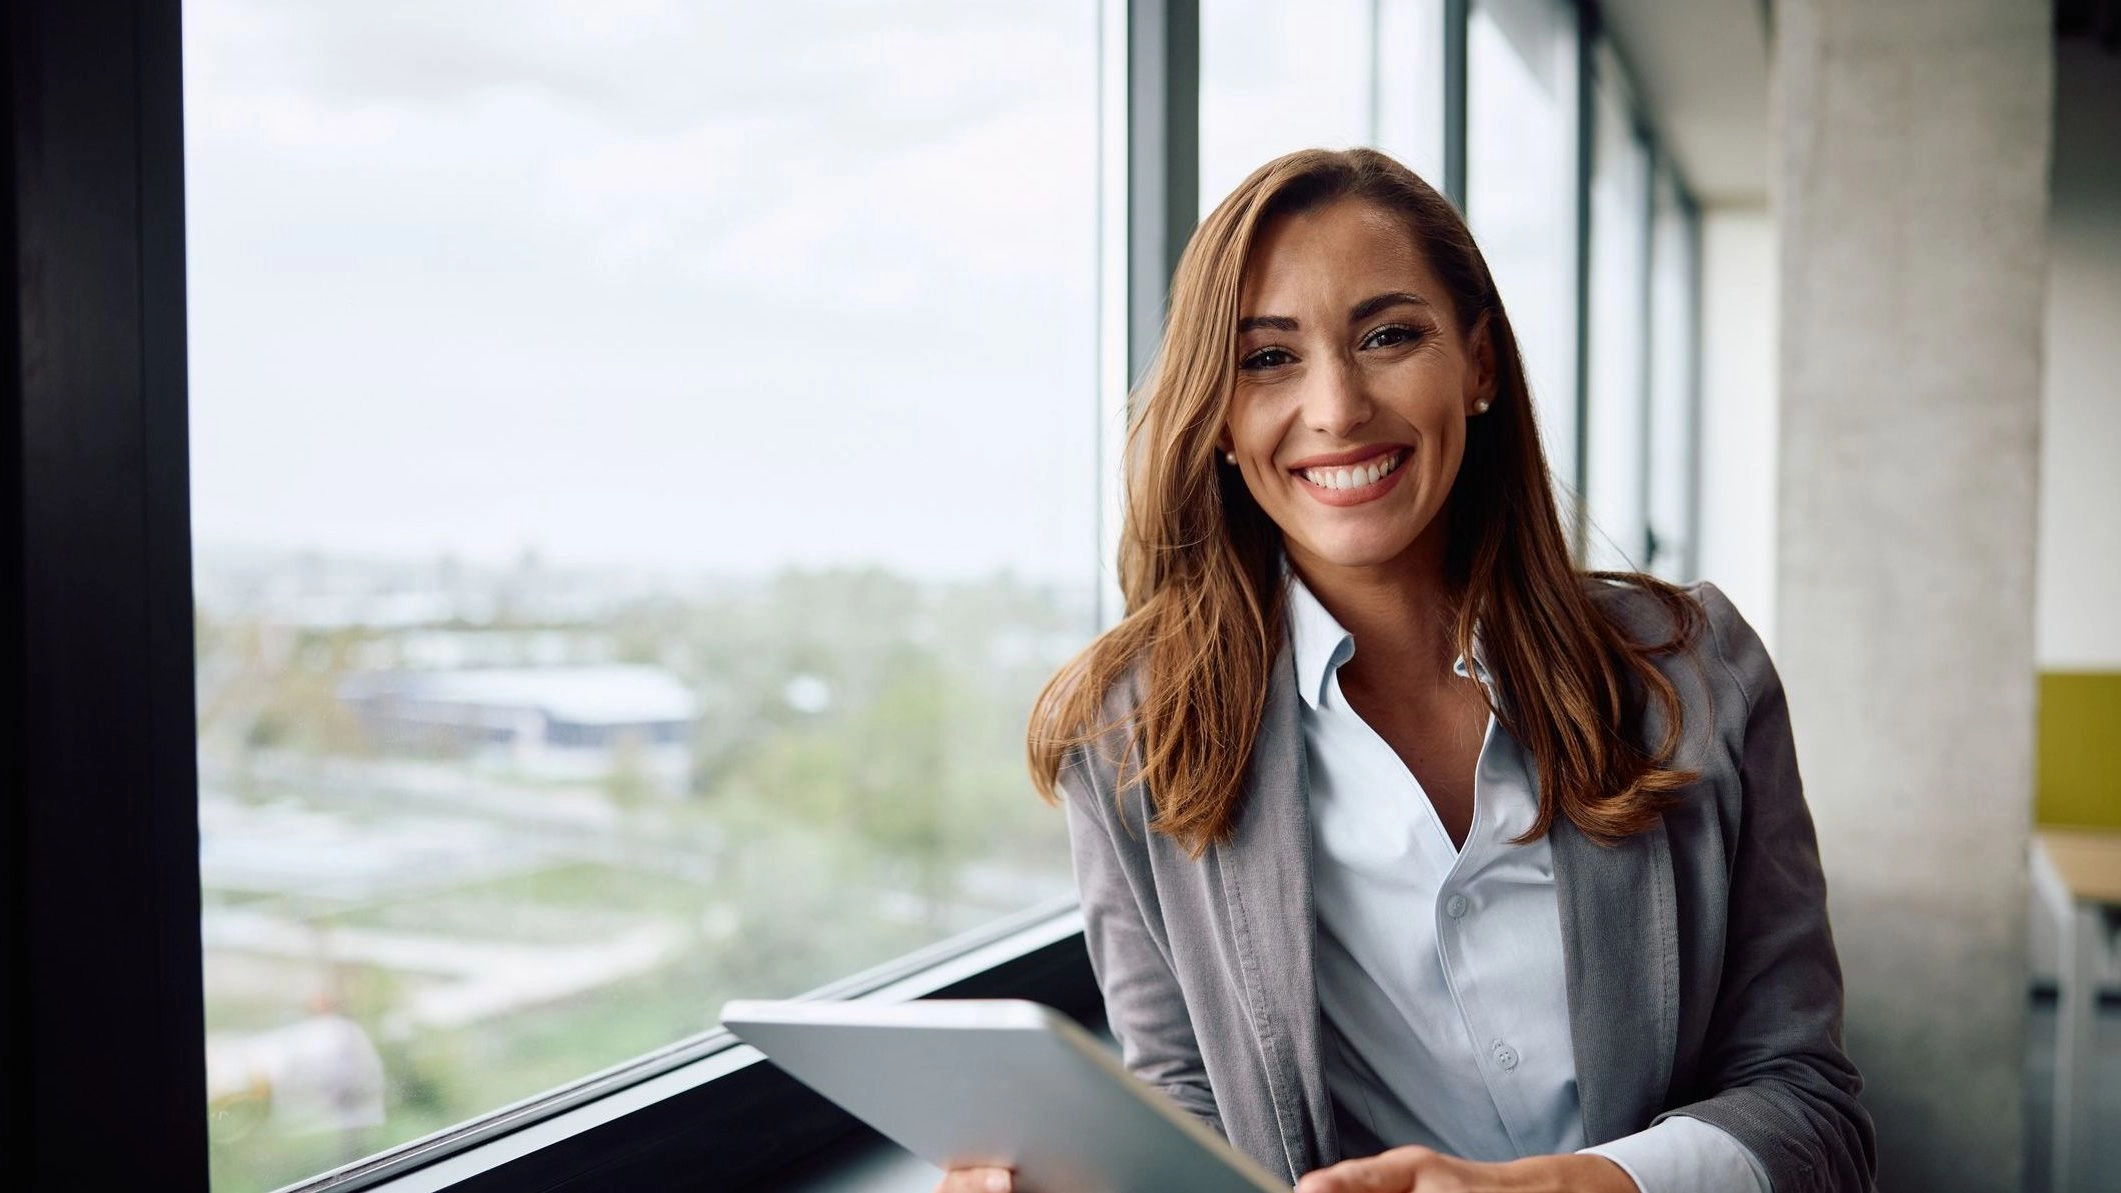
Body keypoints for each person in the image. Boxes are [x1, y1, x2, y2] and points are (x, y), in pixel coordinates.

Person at [938, 147, 1875, 1193]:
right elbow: (1192, 1115)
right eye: (1267, 358)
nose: (1337, 408)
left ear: (1478, 365)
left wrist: (1559, 1188)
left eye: (1388, 335)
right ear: (1219, 414)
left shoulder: (1693, 670)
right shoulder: (1132, 733)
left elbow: (1809, 1111)